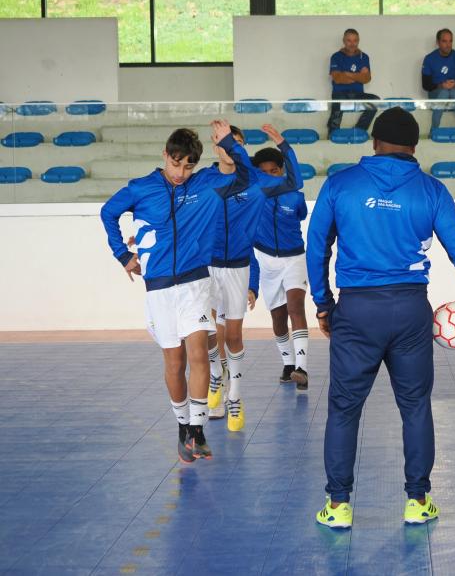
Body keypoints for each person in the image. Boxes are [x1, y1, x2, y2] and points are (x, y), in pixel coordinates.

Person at [306, 107, 455, 529]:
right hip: (410, 311)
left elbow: (316, 247)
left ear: (373, 143)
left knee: (344, 408)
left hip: (356, 310)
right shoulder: (430, 190)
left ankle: (338, 506)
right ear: (414, 147)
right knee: (415, 407)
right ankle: (417, 500)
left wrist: (323, 303)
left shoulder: (340, 185)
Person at [100, 121, 251, 463]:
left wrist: (228, 143)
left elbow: (246, 176)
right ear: (165, 155)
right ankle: (183, 426)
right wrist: (122, 255)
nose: (181, 172)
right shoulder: (141, 189)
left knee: (199, 351)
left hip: (197, 283)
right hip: (159, 290)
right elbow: (107, 213)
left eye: (188, 166)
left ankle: (197, 431)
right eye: (176, 163)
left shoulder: (207, 185)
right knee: (175, 361)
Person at [206, 126, 304, 430]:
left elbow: (294, 181)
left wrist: (283, 144)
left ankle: (234, 395)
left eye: (236, 144)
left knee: (232, 336)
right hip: (205, 267)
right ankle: (215, 379)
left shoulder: (257, 183)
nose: (229, 148)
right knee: (209, 332)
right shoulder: (203, 180)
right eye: (223, 143)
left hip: (237, 267)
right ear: (214, 147)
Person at [247, 147, 311, 391]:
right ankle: (288, 364)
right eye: (264, 173)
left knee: (296, 307)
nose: (270, 176)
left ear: (283, 170)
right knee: (278, 317)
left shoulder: (294, 195)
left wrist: (284, 145)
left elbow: (301, 215)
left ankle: (302, 368)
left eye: (275, 171)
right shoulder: (255, 194)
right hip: (265, 260)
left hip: (294, 258)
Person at [327, 28, 380, 137]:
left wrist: (347, 74)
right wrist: (358, 75)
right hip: (340, 93)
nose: (352, 43)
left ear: (358, 41)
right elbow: (338, 78)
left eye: (355, 40)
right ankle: (332, 134)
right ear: (344, 41)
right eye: (349, 40)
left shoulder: (364, 57)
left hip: (358, 94)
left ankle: (359, 130)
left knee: (375, 101)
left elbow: (366, 79)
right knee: (338, 105)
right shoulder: (336, 57)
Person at [422, 28, 455, 135]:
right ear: (438, 42)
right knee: (444, 93)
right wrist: (441, 85)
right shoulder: (429, 58)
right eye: (444, 41)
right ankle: (434, 131)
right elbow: (425, 85)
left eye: (450, 41)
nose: (448, 44)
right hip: (436, 92)